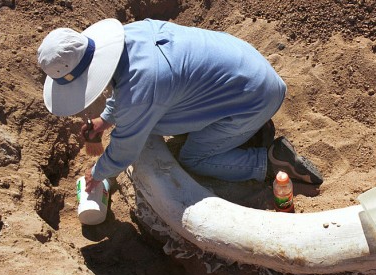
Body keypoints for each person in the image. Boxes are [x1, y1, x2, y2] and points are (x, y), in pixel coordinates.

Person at [37, 18, 323, 192]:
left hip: (254, 98)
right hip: (249, 68)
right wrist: (105, 120)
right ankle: (246, 132)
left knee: (193, 159)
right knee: (162, 114)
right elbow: (127, 87)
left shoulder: (142, 89)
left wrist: (96, 174)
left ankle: (269, 162)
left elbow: (124, 149)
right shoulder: (132, 33)